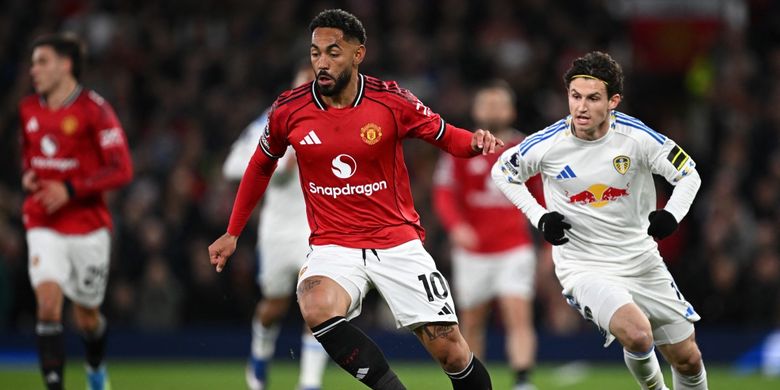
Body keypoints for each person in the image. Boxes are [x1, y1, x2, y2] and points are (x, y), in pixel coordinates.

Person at [209, 9, 501, 390]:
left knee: (451, 350)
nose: (322, 64)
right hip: (333, 243)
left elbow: (446, 136)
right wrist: (232, 232)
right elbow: (260, 166)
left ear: (358, 54)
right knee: (314, 304)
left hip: (396, 241)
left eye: (333, 53)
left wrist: (475, 142)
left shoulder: (390, 101)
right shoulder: (288, 110)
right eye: (315, 54)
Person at [492, 51, 707, 390]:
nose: (581, 107)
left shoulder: (636, 138)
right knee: (637, 335)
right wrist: (540, 216)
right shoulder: (548, 144)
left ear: (613, 101)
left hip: (641, 260)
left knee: (688, 358)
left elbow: (689, 174)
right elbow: (502, 171)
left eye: (593, 98)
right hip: (584, 265)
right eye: (575, 97)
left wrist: (671, 215)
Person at [20, 33, 133, 390]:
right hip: (43, 221)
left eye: (42, 61)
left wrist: (70, 189)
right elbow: (30, 153)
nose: (33, 69)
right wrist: (29, 175)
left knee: (87, 318)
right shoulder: (28, 109)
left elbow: (122, 168)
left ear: (65, 65)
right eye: (33, 62)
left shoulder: (94, 110)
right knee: (49, 305)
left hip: (87, 227)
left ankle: (95, 369)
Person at [222, 63, 329, 390]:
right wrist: (278, 166)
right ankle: (258, 357)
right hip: (279, 231)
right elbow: (232, 166)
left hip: (322, 229)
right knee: (274, 306)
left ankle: (309, 384)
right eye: (305, 82)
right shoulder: (273, 119)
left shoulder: (339, 120)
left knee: (318, 304)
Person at [433, 80, 540, 390]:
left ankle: (522, 380)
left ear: (511, 110)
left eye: (499, 104)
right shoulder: (459, 146)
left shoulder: (525, 149)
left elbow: (541, 196)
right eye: (487, 103)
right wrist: (456, 227)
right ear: (476, 109)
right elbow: (443, 193)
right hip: (473, 250)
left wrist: (547, 242)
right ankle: (473, 382)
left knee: (517, 314)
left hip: (513, 246)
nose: (493, 109)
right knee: (472, 320)